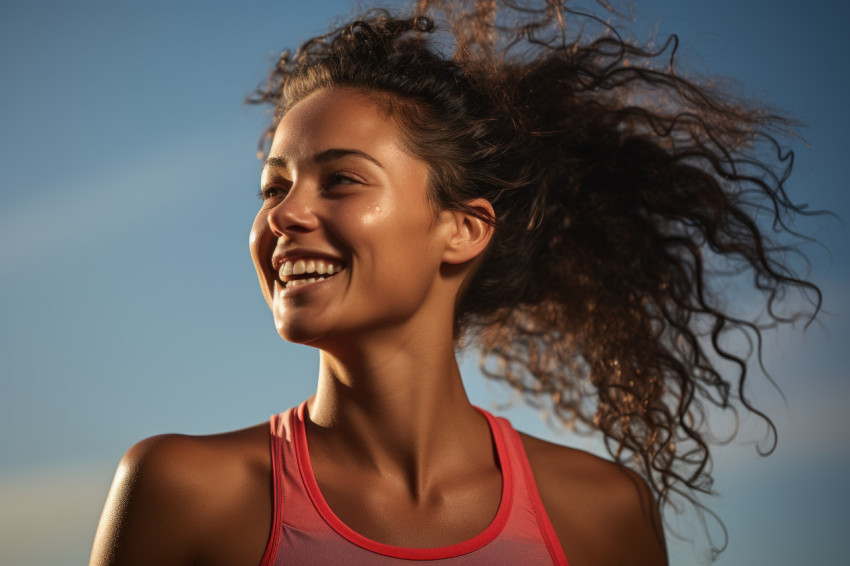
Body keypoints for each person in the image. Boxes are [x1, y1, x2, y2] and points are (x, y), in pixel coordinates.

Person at [90, 1, 822, 564]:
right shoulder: (184, 491)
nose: (284, 215)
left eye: (340, 179)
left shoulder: (601, 514)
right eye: (272, 187)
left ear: (463, 228)